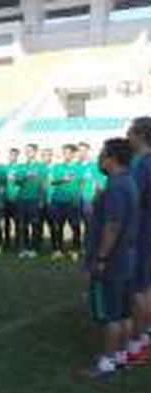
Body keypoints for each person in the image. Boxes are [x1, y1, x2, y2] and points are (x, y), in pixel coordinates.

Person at [84, 138, 138, 378]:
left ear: (112, 158)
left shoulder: (116, 186)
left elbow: (113, 226)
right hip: (127, 256)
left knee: (110, 315)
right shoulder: (127, 182)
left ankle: (106, 362)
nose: (99, 159)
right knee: (124, 312)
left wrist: (101, 258)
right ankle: (119, 356)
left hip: (113, 260)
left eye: (102, 154)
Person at [126, 117, 151, 365]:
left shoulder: (141, 163)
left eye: (130, 131)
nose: (127, 136)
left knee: (138, 290)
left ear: (140, 135)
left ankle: (138, 343)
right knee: (147, 287)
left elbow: (130, 200)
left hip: (142, 233)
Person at [49, 144, 82, 261]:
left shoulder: (79, 167)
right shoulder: (57, 166)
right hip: (57, 201)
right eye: (64, 152)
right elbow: (52, 181)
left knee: (75, 227)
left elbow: (82, 184)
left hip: (72, 202)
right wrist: (63, 179)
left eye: (68, 152)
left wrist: (77, 198)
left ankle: (75, 250)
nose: (65, 155)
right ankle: (57, 250)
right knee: (57, 227)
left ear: (73, 154)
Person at [16, 144, 47, 258]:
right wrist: (25, 176)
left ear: (35, 152)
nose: (27, 153)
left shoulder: (41, 166)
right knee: (22, 225)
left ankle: (34, 248)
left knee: (35, 225)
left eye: (30, 151)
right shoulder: (21, 166)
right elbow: (17, 181)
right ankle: (23, 248)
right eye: (26, 151)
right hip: (22, 199)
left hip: (35, 199)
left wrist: (42, 200)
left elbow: (43, 184)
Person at [2, 148, 22, 251]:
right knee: (6, 223)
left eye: (14, 155)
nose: (12, 157)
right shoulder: (4, 168)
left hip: (17, 199)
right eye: (10, 155)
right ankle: (7, 242)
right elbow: (1, 182)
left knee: (17, 223)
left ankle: (18, 243)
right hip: (6, 199)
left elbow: (22, 182)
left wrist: (16, 179)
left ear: (17, 156)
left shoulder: (20, 168)